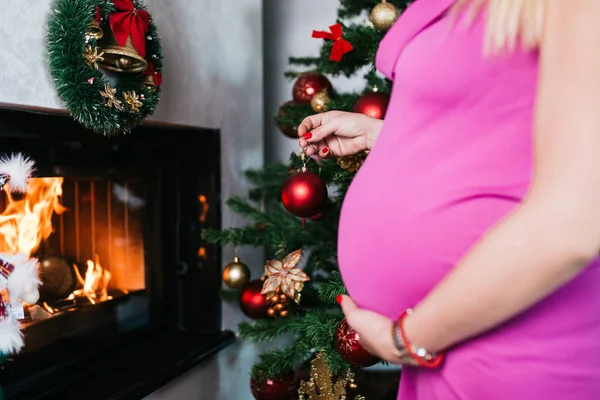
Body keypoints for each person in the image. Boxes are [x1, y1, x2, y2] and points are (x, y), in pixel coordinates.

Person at [298, 0, 600, 399]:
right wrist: (388, 137)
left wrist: (407, 338)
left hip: (519, 354)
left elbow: (572, 224)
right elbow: (499, 119)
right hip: (448, 347)